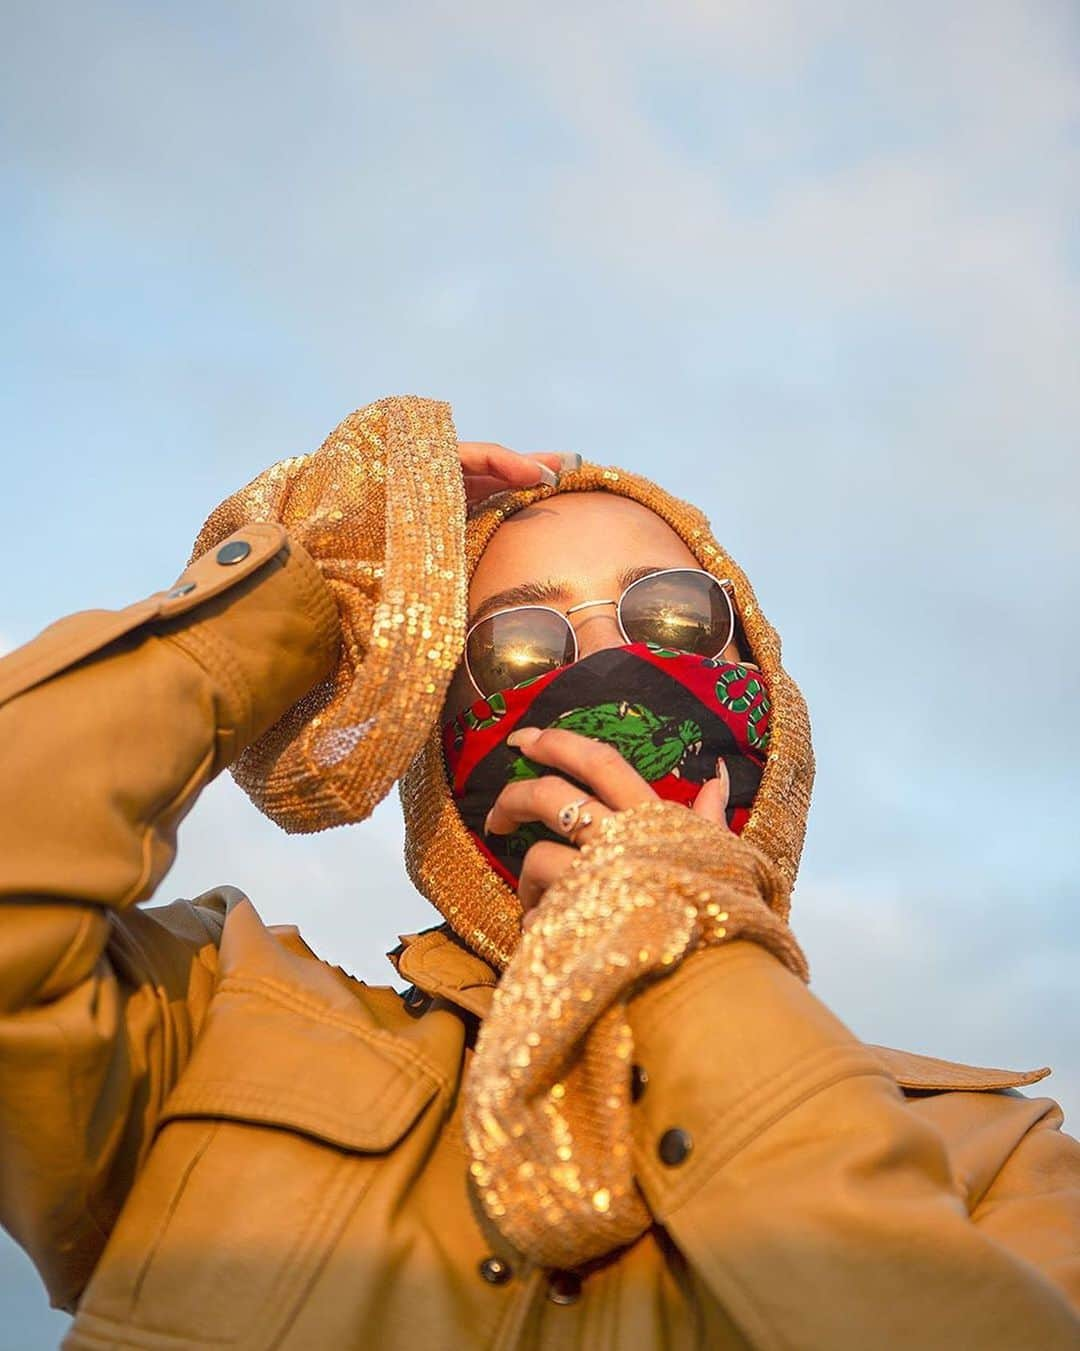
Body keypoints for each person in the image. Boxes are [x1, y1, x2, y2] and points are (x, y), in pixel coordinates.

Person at [0, 394, 1077, 1350]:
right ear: (441, 738)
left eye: (672, 616)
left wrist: (689, 956)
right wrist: (290, 594)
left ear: (764, 691)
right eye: (515, 650)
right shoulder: (224, 1026)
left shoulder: (990, 1154)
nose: (609, 666)